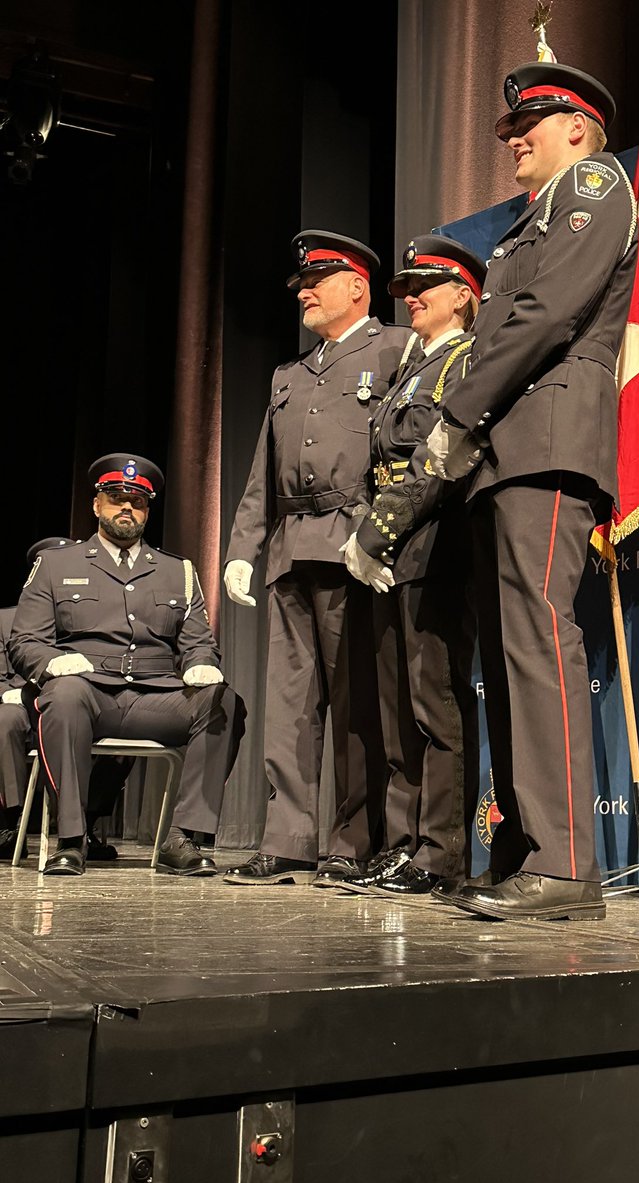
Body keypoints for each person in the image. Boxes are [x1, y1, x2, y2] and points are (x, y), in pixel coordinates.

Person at [426, 61, 638, 921]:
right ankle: (521, 851)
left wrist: (459, 409)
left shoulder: (593, 185)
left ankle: (563, 866)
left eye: (531, 124)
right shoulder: (527, 221)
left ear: (579, 129)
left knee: (541, 645)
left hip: (545, 441)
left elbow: (544, 316)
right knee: (512, 661)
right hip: (504, 450)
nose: (514, 137)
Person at [223, 231, 413, 886]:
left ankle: (351, 842)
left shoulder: (393, 350)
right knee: (288, 704)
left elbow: (404, 453)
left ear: (357, 286)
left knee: (356, 700)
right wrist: (243, 549)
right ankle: (287, 840)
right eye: (303, 283)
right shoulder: (289, 375)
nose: (304, 291)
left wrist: (384, 536)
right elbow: (260, 476)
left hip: (353, 543)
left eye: (317, 280)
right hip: (290, 547)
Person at [9, 455, 246, 877]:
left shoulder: (179, 571)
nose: (126, 508)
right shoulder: (56, 565)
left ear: (147, 510)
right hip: (88, 690)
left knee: (223, 702)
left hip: (153, 696)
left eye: (136, 501)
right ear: (96, 506)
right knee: (62, 696)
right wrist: (55, 661)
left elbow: (197, 643)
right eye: (116, 498)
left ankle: (184, 838)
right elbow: (24, 641)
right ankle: (71, 840)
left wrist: (202, 664)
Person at [339, 235, 484, 896]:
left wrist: (380, 530)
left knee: (437, 707)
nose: (414, 298)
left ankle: (443, 855)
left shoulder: (466, 359)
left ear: (463, 295)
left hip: (434, 547)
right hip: (395, 553)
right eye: (408, 289)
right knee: (400, 713)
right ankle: (407, 844)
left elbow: (439, 460)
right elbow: (380, 462)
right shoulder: (410, 368)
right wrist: (368, 535)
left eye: (427, 286)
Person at [0, 538, 133, 862]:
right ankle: (8, 823)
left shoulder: (95, 613)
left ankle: (85, 822)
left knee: (122, 734)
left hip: (78, 700)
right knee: (3, 721)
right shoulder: (6, 619)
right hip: (21, 701)